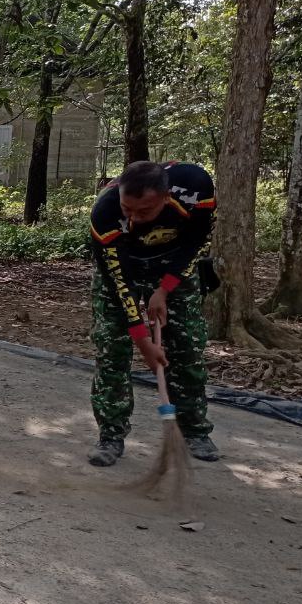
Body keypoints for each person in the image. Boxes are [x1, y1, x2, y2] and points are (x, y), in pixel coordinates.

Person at [88, 160, 219, 466]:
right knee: (112, 351)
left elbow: (195, 242)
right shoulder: (105, 211)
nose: (132, 218)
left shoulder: (195, 188)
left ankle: (195, 430)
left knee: (187, 349)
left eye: (143, 211)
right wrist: (142, 339)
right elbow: (119, 281)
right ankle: (111, 435)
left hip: (172, 264)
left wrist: (165, 289)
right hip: (123, 268)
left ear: (165, 196)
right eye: (127, 209)